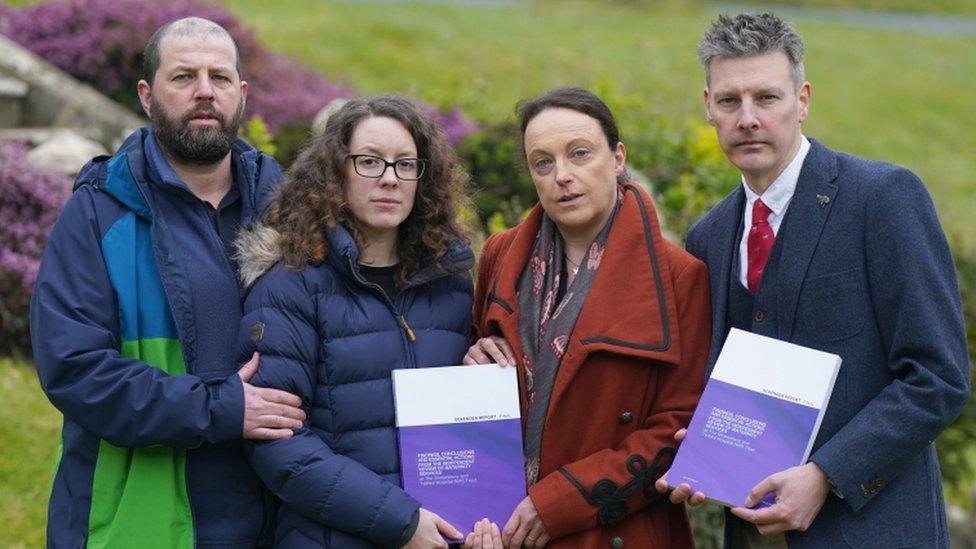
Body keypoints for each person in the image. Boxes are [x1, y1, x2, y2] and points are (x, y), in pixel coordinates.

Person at [669, 12, 970, 548]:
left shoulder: (882, 198)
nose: (748, 118)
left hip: (876, 532)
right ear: (708, 108)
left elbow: (938, 377)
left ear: (802, 100)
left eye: (767, 98)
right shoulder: (708, 236)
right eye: (730, 101)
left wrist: (826, 475)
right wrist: (704, 449)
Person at [29, 17, 307, 548]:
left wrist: (480, 347)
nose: (205, 91)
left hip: (275, 518)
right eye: (183, 77)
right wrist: (221, 407)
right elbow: (74, 368)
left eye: (219, 78)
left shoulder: (289, 209)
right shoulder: (98, 213)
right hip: (140, 517)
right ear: (147, 95)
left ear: (241, 94)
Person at [462, 87, 712, 548]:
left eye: (580, 154)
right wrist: (472, 358)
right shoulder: (501, 254)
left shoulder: (679, 276)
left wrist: (559, 504)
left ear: (617, 158)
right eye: (543, 162)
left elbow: (679, 427)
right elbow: (480, 385)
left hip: (614, 531)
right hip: (505, 528)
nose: (562, 176)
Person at [235, 95, 475, 548]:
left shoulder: (452, 286)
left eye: (406, 164)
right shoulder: (290, 286)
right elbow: (279, 445)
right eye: (370, 162)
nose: (389, 178)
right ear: (336, 173)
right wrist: (400, 523)